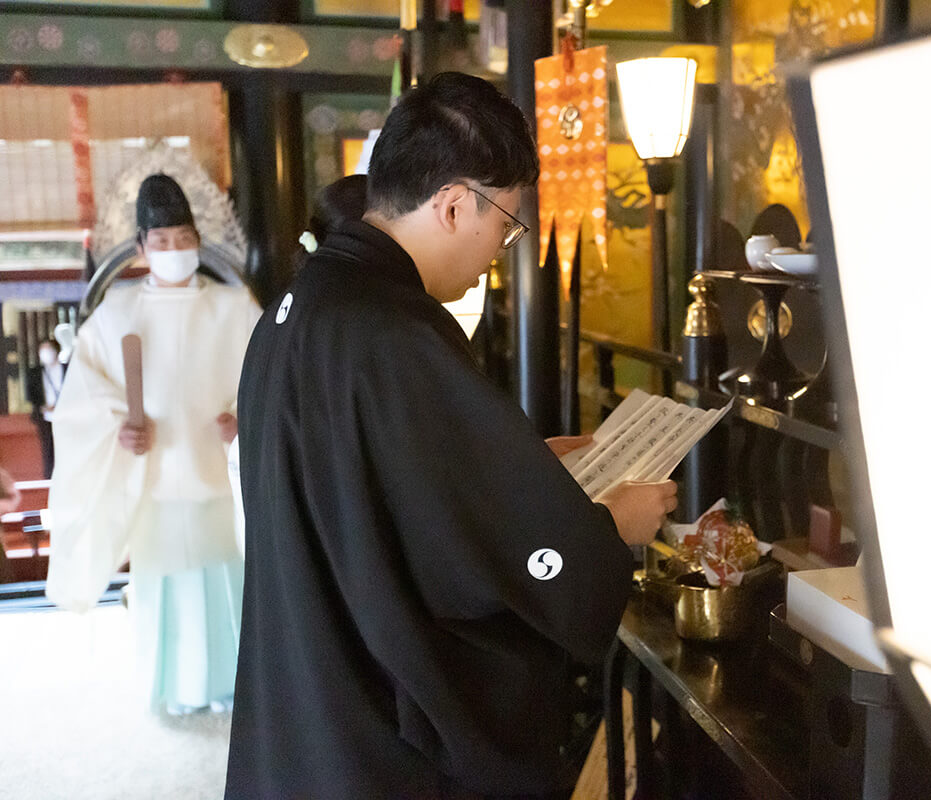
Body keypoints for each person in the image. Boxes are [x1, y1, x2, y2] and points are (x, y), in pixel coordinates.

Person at [225, 72, 676, 800]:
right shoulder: (395, 331)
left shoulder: (305, 302)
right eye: (507, 222)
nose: (505, 245)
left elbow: (385, 489)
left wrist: (516, 470)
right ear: (454, 203)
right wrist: (604, 529)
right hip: (372, 726)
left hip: (308, 692)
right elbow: (463, 565)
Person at [46, 173, 261, 715]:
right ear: (141, 247)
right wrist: (119, 428)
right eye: (161, 243)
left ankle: (236, 685)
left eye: (183, 239)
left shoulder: (235, 307)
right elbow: (84, 399)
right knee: (164, 588)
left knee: (226, 578)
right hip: (155, 478)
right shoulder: (116, 313)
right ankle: (175, 688)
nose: (173, 251)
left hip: (217, 471)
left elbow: (271, 377)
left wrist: (244, 419)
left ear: (198, 240)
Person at [27, 338, 65, 478]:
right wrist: (42, 407)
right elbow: (31, 394)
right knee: (48, 448)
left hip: (66, 415)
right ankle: (50, 477)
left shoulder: (67, 369)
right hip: (45, 416)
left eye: (48, 348)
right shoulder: (35, 372)